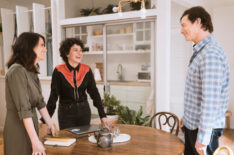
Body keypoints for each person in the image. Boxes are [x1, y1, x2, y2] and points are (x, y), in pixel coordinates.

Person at [179, 6, 230, 155]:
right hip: (194, 126)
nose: (181, 31)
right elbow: (197, 92)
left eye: (184, 25)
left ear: (198, 22)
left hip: (202, 131)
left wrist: (203, 138)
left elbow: (210, 101)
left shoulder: (210, 54)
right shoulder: (201, 51)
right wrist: (187, 117)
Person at [4, 32, 57, 155]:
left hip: (30, 125)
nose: (45, 49)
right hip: (18, 127)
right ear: (30, 47)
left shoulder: (31, 71)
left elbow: (40, 102)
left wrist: (50, 123)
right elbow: (24, 109)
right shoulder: (16, 71)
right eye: (42, 45)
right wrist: (35, 141)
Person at [44, 38, 108, 130]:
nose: (80, 53)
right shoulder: (59, 71)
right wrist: (45, 119)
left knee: (83, 141)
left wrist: (103, 115)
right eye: (75, 50)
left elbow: (94, 93)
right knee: (68, 140)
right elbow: (53, 96)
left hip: (84, 111)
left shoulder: (86, 70)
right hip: (66, 113)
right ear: (67, 53)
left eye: (81, 51)